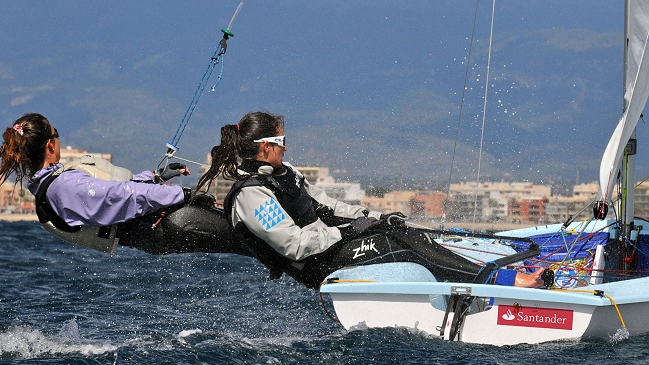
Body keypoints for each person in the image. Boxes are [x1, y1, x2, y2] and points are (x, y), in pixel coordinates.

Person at [197, 111, 544, 289]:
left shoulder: (284, 171)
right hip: (316, 264)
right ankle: (503, 283)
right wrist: (348, 233)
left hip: (332, 245)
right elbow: (296, 246)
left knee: (407, 232)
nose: (286, 146)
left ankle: (489, 273)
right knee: (400, 248)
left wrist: (373, 216)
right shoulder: (252, 196)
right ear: (264, 147)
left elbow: (327, 204)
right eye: (281, 139)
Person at [0, 113, 194, 253]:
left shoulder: (53, 183)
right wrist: (183, 194)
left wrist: (155, 177)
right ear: (50, 143)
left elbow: (117, 186)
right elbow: (121, 194)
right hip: (162, 227)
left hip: (157, 226)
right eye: (56, 133)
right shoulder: (63, 186)